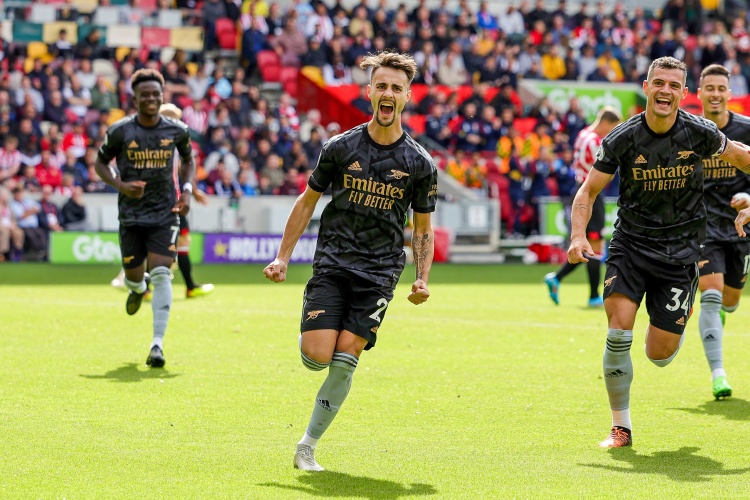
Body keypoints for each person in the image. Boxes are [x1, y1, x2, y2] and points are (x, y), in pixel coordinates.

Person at [263, 51, 438, 471]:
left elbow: (423, 228)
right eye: (382, 85)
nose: (388, 93)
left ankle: (307, 447)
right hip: (333, 262)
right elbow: (307, 202)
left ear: (407, 96)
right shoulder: (340, 147)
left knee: (345, 359)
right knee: (316, 357)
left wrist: (422, 278)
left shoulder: (420, 164)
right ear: (369, 92)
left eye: (396, 87)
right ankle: (316, 332)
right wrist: (283, 257)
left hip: (379, 273)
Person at [568, 57, 750, 448]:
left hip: (681, 253)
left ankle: (678, 319)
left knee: (659, 355)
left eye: (673, 85)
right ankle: (621, 427)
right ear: (647, 87)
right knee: (618, 332)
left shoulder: (700, 132)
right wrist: (578, 236)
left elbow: (742, 157)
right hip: (630, 247)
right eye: (659, 83)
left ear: (683, 94)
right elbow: (588, 190)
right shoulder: (622, 137)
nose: (665, 90)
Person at [95, 69, 195, 368]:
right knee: (134, 277)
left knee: (163, 272)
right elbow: (100, 163)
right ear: (135, 98)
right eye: (144, 94)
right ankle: (138, 288)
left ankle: (157, 345)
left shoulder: (177, 130)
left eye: (155, 93)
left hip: (165, 213)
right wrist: (121, 185)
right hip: (131, 215)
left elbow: (188, 160)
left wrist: (187, 190)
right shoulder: (120, 131)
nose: (151, 98)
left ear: (162, 96)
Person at [111, 104, 214, 299]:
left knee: (176, 242)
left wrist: (192, 190)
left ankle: (175, 286)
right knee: (163, 243)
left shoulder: (170, 141)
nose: (178, 123)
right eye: (175, 119)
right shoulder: (160, 143)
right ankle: (146, 285)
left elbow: (183, 167)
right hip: (165, 202)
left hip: (171, 200)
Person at [696, 64, 750, 399]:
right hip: (704, 228)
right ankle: (718, 374)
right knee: (711, 297)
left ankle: (719, 316)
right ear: (699, 93)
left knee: (730, 303)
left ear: (729, 94)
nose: (715, 94)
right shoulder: (687, 131)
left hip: (742, 226)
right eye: (709, 88)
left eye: (720, 88)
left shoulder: (746, 129)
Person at [545, 107, 622, 307]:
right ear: (606, 123)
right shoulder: (595, 141)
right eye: (612, 128)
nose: (611, 132)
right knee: (595, 245)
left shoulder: (582, 135)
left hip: (581, 188)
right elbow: (605, 173)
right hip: (590, 192)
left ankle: (558, 279)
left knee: (588, 245)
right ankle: (593, 295)